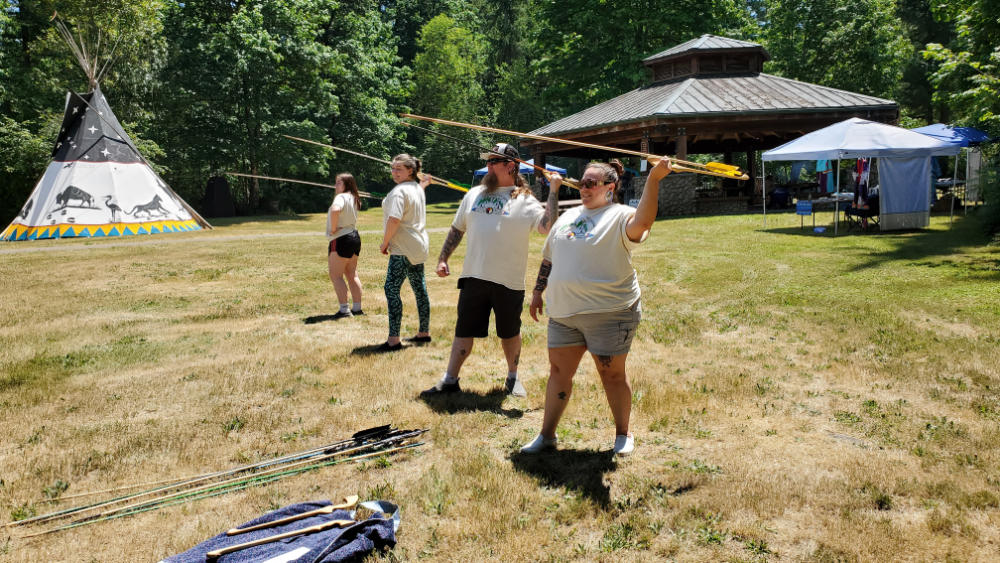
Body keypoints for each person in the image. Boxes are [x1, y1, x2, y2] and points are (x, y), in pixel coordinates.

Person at [520, 157, 673, 456]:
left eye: (590, 183)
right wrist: (538, 291)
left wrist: (653, 179)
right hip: (564, 314)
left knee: (612, 375)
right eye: (581, 182)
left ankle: (623, 434)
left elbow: (642, 224)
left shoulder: (620, 215)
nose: (583, 187)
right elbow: (549, 257)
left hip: (610, 312)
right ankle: (547, 435)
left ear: (609, 188)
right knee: (558, 373)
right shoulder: (567, 217)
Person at [420, 143, 560, 397]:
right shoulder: (474, 194)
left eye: (493, 161)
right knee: (463, 330)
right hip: (474, 276)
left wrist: (553, 191)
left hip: (508, 280)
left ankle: (513, 378)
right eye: (488, 161)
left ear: (510, 166)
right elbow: (457, 228)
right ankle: (450, 379)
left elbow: (547, 226)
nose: (488, 166)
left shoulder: (526, 200)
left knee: (510, 333)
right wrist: (443, 258)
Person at [379, 154, 432, 352]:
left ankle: (393, 340)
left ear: (410, 170)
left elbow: (394, 219)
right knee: (420, 289)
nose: (394, 172)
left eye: (399, 169)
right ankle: (423, 332)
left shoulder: (399, 191)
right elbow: (419, 190)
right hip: (418, 247)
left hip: (402, 249)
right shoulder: (416, 189)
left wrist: (385, 243)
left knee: (391, 290)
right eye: (393, 168)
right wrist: (425, 182)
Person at [326, 173, 364, 319]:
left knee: (336, 275)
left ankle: (344, 310)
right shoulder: (354, 197)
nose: (335, 186)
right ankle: (357, 308)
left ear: (347, 184)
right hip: (354, 236)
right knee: (352, 273)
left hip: (341, 238)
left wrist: (334, 228)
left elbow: (335, 210)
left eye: (338, 183)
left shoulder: (341, 197)